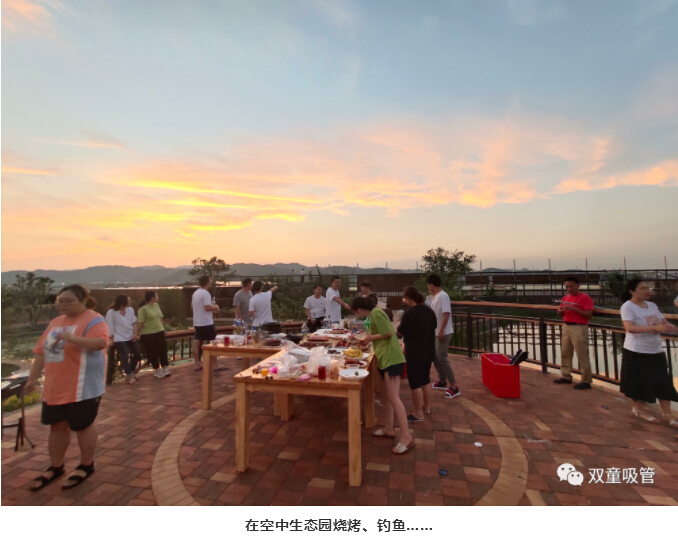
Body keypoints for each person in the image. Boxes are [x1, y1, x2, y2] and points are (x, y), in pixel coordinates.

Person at [25, 285, 108, 491]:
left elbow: (100, 343)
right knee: (56, 427)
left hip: (83, 387)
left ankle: (86, 465)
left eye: (68, 301)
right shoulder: (55, 323)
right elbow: (41, 352)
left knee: (83, 426)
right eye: (60, 301)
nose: (62, 304)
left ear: (83, 300)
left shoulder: (94, 319)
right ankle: (56, 467)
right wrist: (32, 379)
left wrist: (72, 338)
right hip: (55, 386)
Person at [353, 296, 414, 455]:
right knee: (387, 397)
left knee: (394, 398)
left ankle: (406, 436)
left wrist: (370, 338)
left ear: (358, 309)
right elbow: (380, 334)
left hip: (391, 359)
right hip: (384, 359)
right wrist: (368, 340)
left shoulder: (376, 313)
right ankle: (389, 428)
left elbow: (388, 333)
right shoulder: (372, 315)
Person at [619, 279, 678, 427]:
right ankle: (638, 410)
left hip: (656, 349)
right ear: (632, 291)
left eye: (648, 288)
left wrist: (668, 325)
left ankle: (667, 414)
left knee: (663, 381)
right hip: (636, 350)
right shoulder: (628, 307)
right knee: (638, 381)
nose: (647, 291)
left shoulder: (652, 305)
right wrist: (654, 328)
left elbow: (662, 321)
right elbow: (629, 328)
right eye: (643, 288)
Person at [397, 286, 436, 422]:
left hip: (414, 352)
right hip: (429, 350)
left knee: (415, 382)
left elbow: (399, 333)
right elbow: (434, 327)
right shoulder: (429, 311)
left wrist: (399, 325)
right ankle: (427, 407)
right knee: (425, 379)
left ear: (408, 298)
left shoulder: (409, 313)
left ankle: (418, 413)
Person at [553, 277, 594, 389]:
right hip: (566, 326)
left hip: (579, 327)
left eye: (571, 286)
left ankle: (586, 380)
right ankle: (566, 376)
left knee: (582, 354)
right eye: (567, 287)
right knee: (565, 352)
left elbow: (589, 315)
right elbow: (561, 314)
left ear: (578, 285)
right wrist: (561, 311)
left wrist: (574, 309)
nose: (569, 289)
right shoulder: (565, 297)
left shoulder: (585, 298)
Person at [426, 274, 460, 399]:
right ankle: (442, 381)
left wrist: (441, 331)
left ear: (432, 284)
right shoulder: (435, 297)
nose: (428, 287)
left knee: (442, 357)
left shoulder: (443, 296)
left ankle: (454, 386)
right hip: (436, 332)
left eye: (428, 284)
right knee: (435, 357)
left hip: (443, 333)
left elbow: (446, 314)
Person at [105, 295, 141, 385]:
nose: (130, 301)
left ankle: (131, 371)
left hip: (130, 335)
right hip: (119, 337)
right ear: (122, 302)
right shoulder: (111, 312)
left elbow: (134, 322)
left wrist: (135, 333)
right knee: (125, 356)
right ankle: (129, 376)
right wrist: (111, 338)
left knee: (137, 353)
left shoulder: (130, 310)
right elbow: (109, 325)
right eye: (128, 300)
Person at [138, 290, 171, 378]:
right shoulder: (143, 309)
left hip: (159, 331)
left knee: (162, 349)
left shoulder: (156, 305)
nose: (158, 297)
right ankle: (157, 369)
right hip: (148, 333)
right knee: (152, 352)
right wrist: (136, 333)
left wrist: (163, 328)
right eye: (156, 296)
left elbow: (160, 318)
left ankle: (165, 367)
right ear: (152, 298)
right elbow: (141, 323)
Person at [192, 276, 219, 371]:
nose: (210, 282)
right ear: (207, 282)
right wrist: (215, 307)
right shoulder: (206, 293)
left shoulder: (195, 293)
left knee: (197, 341)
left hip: (197, 321)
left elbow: (192, 307)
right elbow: (207, 307)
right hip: (206, 322)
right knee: (213, 342)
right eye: (210, 281)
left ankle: (197, 364)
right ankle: (215, 365)